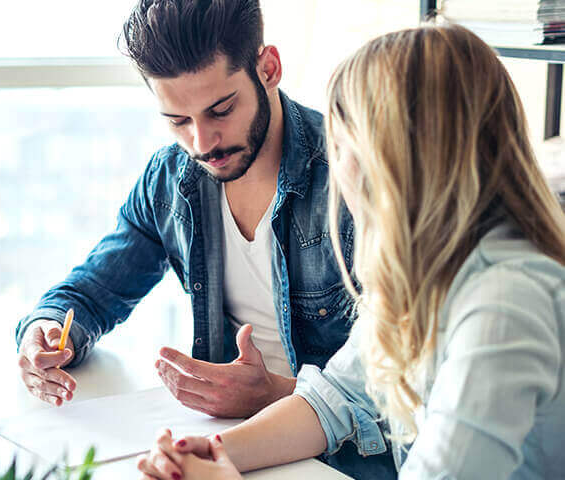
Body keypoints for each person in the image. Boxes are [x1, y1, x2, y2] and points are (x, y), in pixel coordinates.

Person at [136, 23, 565, 479]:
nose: (335, 171)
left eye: (341, 146)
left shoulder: (504, 303)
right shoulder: (427, 268)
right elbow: (337, 396)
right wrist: (216, 452)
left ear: (398, 157)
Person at [15, 0, 395, 476]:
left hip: (345, 461)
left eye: (221, 109)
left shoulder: (355, 178)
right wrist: (44, 337)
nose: (202, 142)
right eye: (178, 121)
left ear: (268, 68)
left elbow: (406, 391)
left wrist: (277, 392)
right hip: (227, 448)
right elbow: (88, 292)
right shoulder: (171, 179)